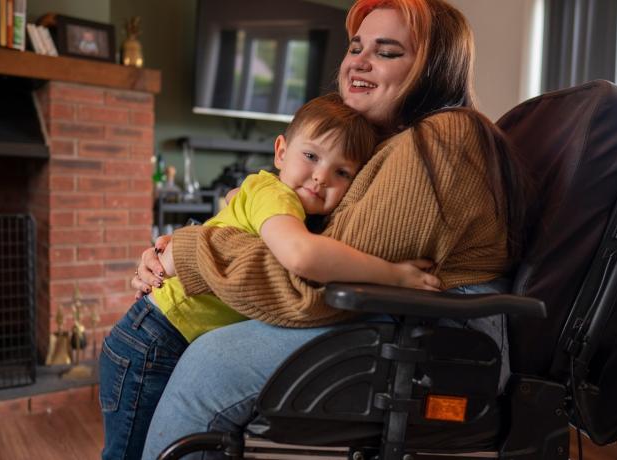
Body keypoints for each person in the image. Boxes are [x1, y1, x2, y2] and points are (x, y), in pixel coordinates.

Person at [136, 0, 531, 458]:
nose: (357, 62)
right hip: (398, 318)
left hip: (436, 341)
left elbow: (310, 284)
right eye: (355, 46)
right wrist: (181, 249)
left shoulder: (441, 141)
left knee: (209, 365)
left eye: (386, 52)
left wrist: (190, 254)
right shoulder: (389, 146)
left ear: (432, 69)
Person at [99, 93, 441, 460]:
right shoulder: (276, 196)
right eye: (310, 156)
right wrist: (394, 275)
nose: (320, 177)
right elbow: (301, 255)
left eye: (341, 172)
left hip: (162, 336)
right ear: (281, 152)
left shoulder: (279, 201)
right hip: (155, 341)